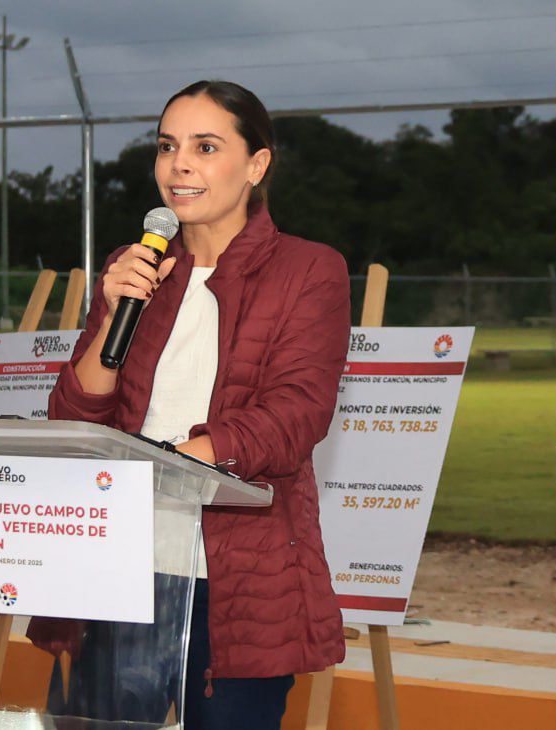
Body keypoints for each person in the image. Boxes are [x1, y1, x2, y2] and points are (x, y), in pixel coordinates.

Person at [29, 79, 349, 729]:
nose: (180, 165)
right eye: (167, 146)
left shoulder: (308, 270)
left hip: (238, 583)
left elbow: (295, 414)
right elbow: (73, 417)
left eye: (206, 147)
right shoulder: (133, 265)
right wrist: (117, 311)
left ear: (256, 165)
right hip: (125, 569)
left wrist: (175, 463)